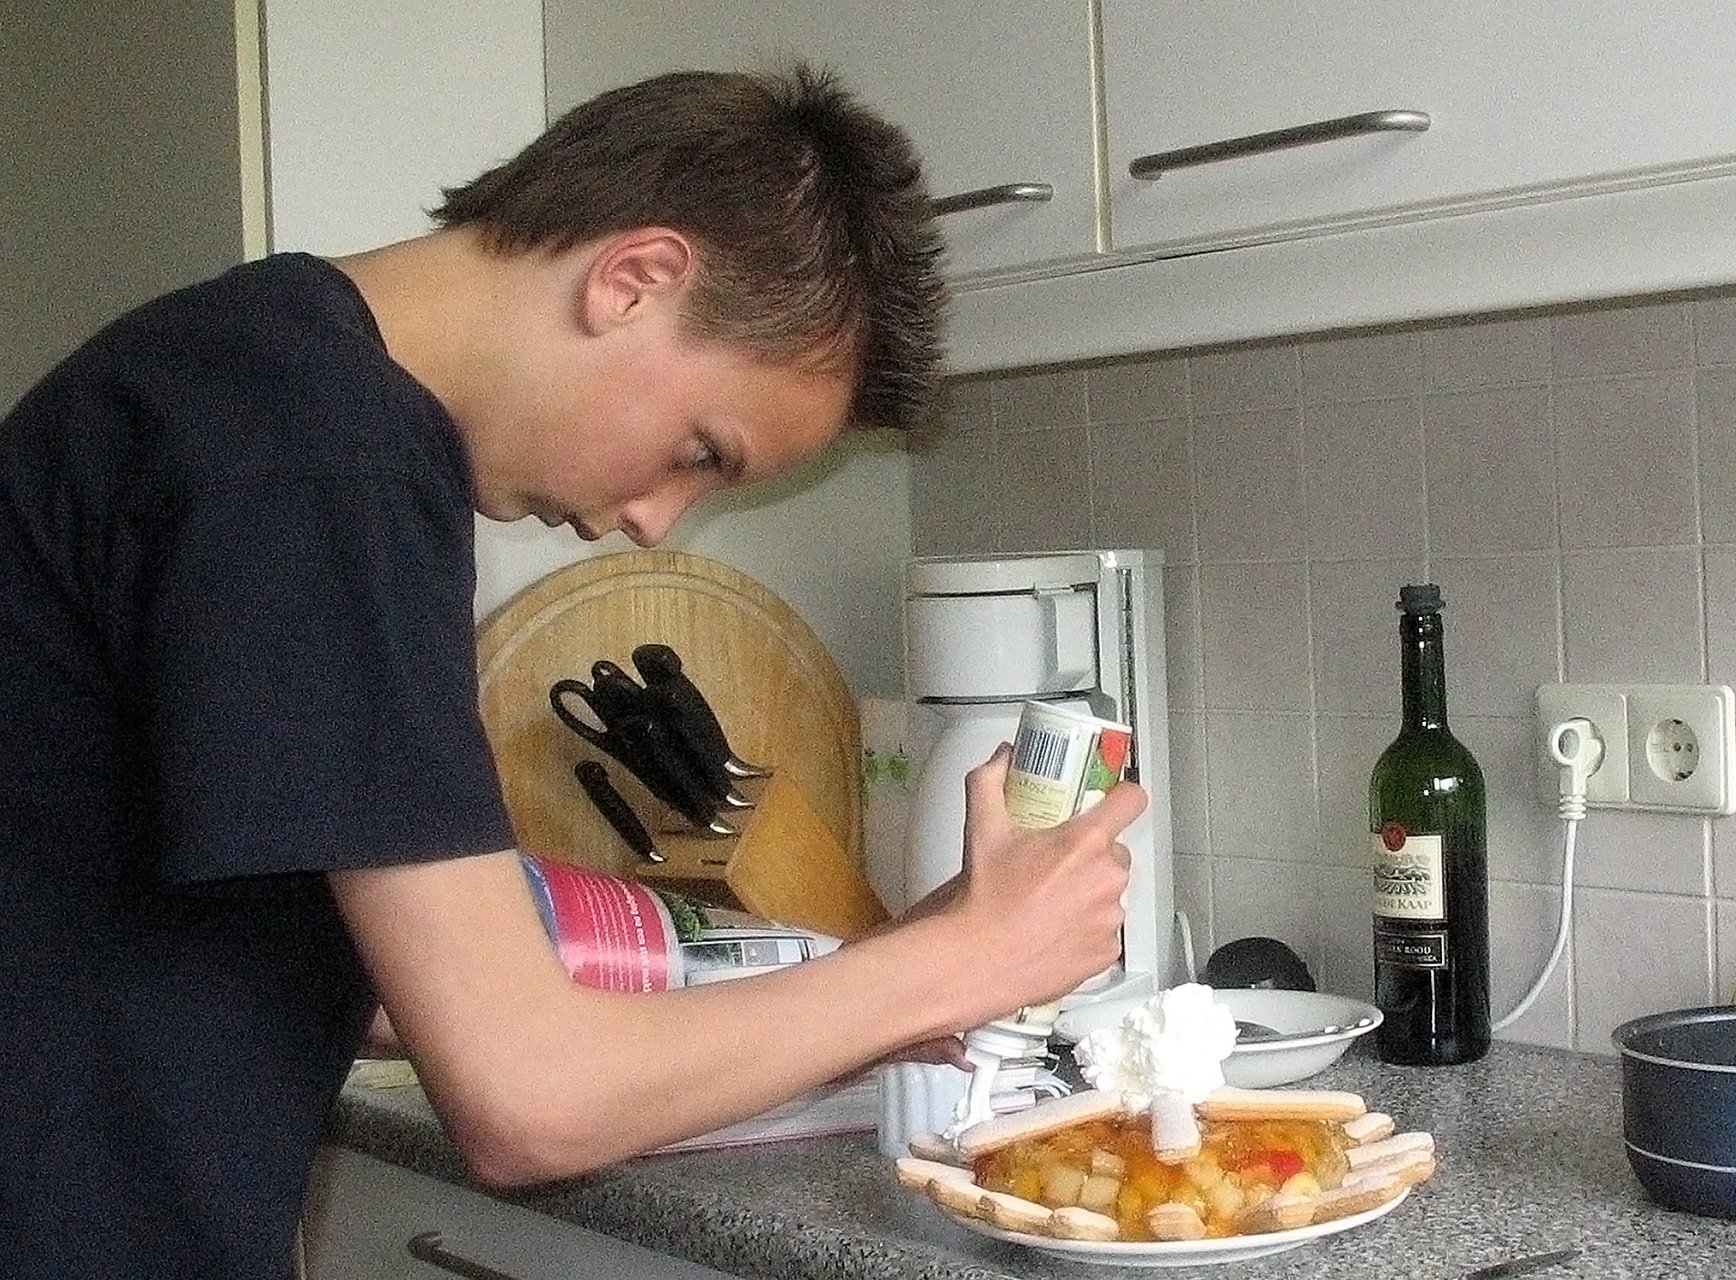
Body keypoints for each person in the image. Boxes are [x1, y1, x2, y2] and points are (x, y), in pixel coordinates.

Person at [0, 65, 1144, 1280]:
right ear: (632, 278)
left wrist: (882, 986)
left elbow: (333, 976)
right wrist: (958, 961)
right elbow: (524, 1099)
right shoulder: (320, 460)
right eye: (701, 450)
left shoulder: (256, 385)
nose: (655, 521)